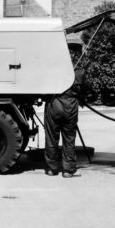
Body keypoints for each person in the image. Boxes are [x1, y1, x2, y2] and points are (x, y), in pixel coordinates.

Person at [44, 50, 85, 178]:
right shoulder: (79, 71)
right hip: (70, 106)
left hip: (54, 104)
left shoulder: (53, 69)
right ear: (73, 56)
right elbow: (85, 89)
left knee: (51, 137)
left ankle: (51, 169)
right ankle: (68, 170)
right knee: (69, 138)